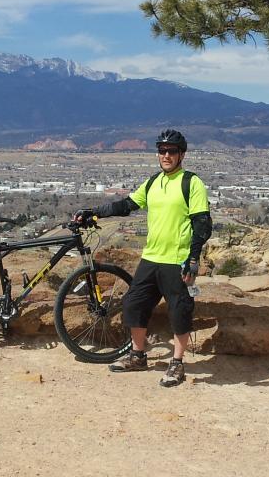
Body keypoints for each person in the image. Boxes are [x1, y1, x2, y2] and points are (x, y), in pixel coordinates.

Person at [75, 128, 212, 387]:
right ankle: (138, 355)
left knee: (180, 311)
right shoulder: (152, 183)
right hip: (151, 257)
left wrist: (193, 259)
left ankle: (177, 364)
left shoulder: (191, 183)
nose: (166, 155)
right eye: (162, 151)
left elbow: (202, 225)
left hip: (177, 259)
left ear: (181, 154)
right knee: (133, 304)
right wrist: (95, 212)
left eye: (172, 151)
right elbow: (126, 205)